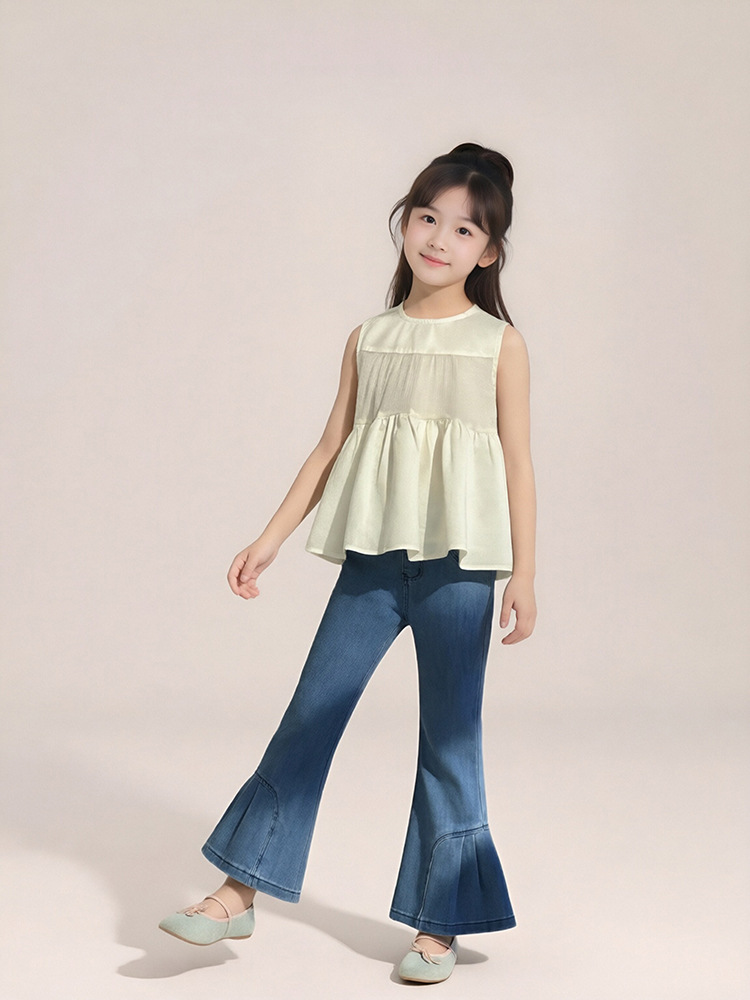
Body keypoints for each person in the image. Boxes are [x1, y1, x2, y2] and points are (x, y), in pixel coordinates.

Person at [158, 142, 537, 985]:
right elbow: (330, 447)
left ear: (489, 252)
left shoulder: (498, 345)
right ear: (405, 222)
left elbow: (518, 461)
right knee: (309, 716)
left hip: (460, 572)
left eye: (464, 229)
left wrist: (525, 574)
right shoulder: (370, 338)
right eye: (428, 217)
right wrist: (270, 538)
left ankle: (440, 922)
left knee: (451, 740)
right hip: (371, 565)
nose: (439, 238)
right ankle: (237, 891)